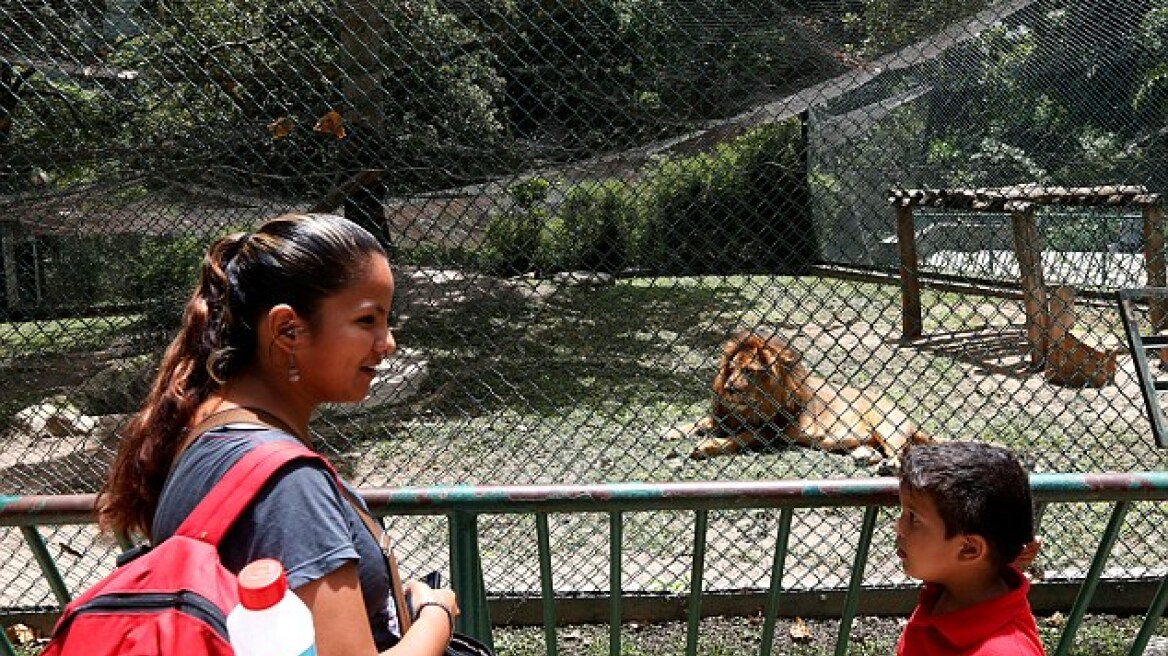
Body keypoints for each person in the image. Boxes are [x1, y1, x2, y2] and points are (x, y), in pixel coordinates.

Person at [98, 213, 458, 656]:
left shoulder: (205, 428)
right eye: (367, 321)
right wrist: (435, 616)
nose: (388, 343)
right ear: (288, 329)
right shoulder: (289, 487)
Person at [895, 441, 1045, 656]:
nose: (899, 527)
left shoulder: (1003, 651)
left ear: (969, 550)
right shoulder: (949, 589)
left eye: (914, 518)